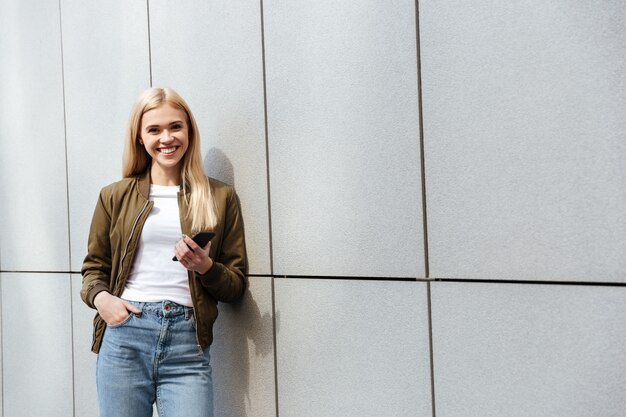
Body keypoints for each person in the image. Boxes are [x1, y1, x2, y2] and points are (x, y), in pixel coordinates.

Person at [80, 87, 247, 417]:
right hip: (125, 337)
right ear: (140, 138)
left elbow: (235, 286)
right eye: (154, 129)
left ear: (189, 131)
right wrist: (104, 301)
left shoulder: (220, 196)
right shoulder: (114, 196)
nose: (166, 138)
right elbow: (93, 269)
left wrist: (204, 266)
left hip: (187, 344)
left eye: (175, 126)